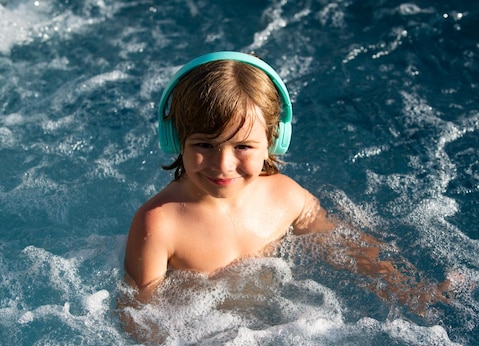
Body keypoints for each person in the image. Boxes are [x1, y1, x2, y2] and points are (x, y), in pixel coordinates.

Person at [123, 51, 454, 310]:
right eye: (204, 145)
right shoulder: (160, 223)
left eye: (242, 147)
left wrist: (408, 289)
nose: (223, 164)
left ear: (274, 140)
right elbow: (141, 317)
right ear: (176, 140)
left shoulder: (286, 197)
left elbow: (344, 247)